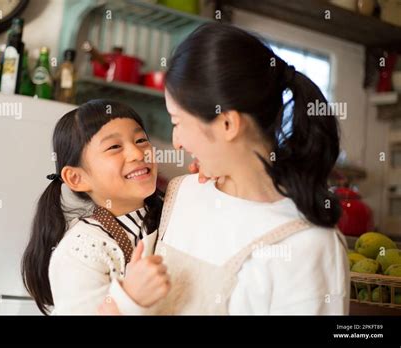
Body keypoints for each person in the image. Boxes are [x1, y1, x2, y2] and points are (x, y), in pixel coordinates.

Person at [150, 23, 350, 314]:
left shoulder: (308, 244)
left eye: (177, 122)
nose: (176, 142)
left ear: (227, 124)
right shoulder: (182, 194)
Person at [21, 99, 169, 315]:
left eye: (140, 140)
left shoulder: (172, 208)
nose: (138, 154)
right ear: (77, 178)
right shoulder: (81, 250)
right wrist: (130, 298)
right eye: (115, 147)